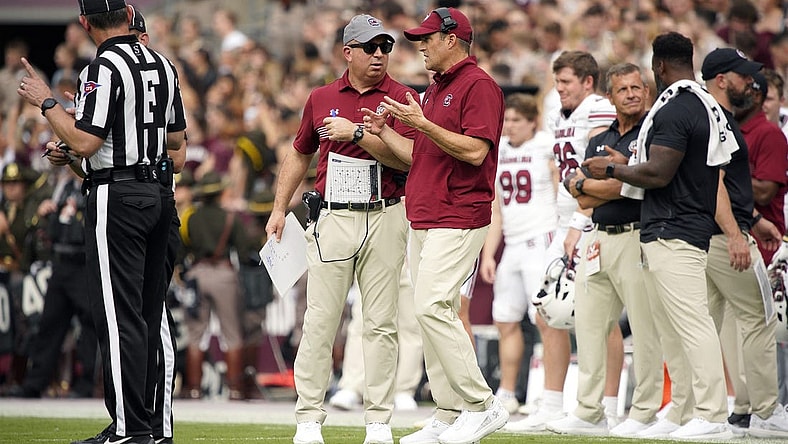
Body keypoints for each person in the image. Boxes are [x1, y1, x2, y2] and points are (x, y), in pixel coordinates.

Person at [17, 0, 186, 442]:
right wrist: (76, 138)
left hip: (118, 198)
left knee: (117, 317)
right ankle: (148, 426)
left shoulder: (102, 66)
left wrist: (47, 102)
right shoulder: (164, 65)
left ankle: (130, 429)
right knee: (147, 315)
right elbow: (177, 147)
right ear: (130, 18)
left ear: (84, 22)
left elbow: (86, 143)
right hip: (159, 195)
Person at [583, 32, 742, 440]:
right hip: (681, 224)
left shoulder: (675, 109)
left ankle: (712, 414)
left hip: (674, 227)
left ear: (657, 67)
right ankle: (686, 410)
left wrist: (612, 170)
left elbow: (658, 172)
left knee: (692, 323)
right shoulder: (700, 102)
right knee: (678, 325)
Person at [362, 7, 509, 444]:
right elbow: (419, 157)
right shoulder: (435, 88)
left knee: (430, 305)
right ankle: (447, 413)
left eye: (427, 38)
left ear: (453, 39)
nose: (420, 45)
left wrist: (421, 123)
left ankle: (483, 405)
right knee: (428, 314)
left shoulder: (478, 85)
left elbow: (475, 152)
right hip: (425, 212)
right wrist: (385, 133)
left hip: (459, 212)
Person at [264, 14, 413, 444]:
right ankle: (308, 418)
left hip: (386, 212)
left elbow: (409, 160)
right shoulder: (321, 96)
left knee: (381, 323)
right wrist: (278, 208)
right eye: (370, 47)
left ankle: (379, 422)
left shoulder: (402, 97)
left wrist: (359, 133)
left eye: (385, 46)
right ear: (347, 52)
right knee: (320, 320)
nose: (380, 55)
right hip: (331, 215)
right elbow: (298, 153)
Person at [503, 50, 622, 434]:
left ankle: (610, 405)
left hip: (589, 218)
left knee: (600, 316)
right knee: (547, 310)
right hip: (563, 219)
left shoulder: (599, 108)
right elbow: (563, 171)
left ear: (588, 82)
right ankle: (552, 403)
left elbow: (600, 168)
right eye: (557, 82)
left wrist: (581, 218)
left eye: (566, 82)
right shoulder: (558, 114)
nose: (559, 89)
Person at [547, 63, 664, 437]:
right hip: (598, 235)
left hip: (637, 234)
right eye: (623, 89)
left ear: (646, 92)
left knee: (645, 329)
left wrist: (609, 180)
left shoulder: (652, 133)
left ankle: (644, 411)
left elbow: (634, 187)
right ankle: (588, 409)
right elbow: (576, 189)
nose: (631, 94)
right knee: (590, 325)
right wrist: (611, 180)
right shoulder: (600, 139)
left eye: (637, 87)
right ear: (609, 97)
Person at [706, 63, 788, 438]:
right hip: (731, 237)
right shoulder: (732, 126)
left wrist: (751, 218)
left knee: (723, 327)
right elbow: (723, 184)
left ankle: (738, 407)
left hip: (718, 234)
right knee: (759, 322)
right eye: (745, 79)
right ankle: (765, 411)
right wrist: (741, 228)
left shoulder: (714, 119)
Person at [478, 93, 558, 415]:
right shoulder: (498, 151)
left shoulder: (545, 146)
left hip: (541, 240)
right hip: (511, 244)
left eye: (516, 120)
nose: (508, 126)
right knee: (505, 319)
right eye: (506, 119)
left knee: (544, 319)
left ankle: (548, 394)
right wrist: (488, 255)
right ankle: (507, 393)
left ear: (533, 122)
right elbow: (496, 211)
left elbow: (558, 192)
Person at [181, 171, 249, 401]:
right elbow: (243, 249)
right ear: (220, 193)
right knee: (231, 333)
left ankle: (194, 389)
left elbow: (182, 249)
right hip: (223, 273)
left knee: (195, 334)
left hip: (197, 273)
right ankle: (235, 389)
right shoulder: (231, 218)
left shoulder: (191, 217)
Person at [735, 70, 788, 265]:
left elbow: (765, 192)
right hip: (737, 243)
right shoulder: (734, 131)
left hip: (764, 246)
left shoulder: (769, 134)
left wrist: (724, 176)